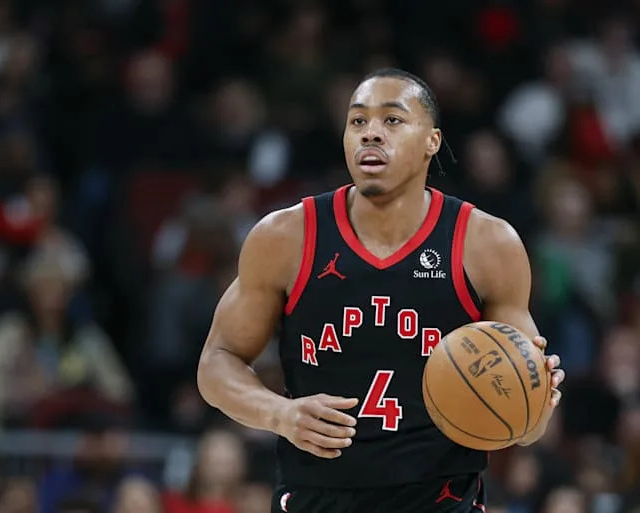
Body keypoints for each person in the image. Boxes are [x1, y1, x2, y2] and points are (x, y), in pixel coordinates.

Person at [197, 68, 564, 513]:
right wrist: (280, 414)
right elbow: (217, 363)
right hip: (318, 496)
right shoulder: (286, 236)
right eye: (358, 121)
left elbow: (529, 426)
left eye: (392, 120)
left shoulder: (487, 244)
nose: (371, 133)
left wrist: (536, 402)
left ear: (432, 140)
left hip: (440, 499)